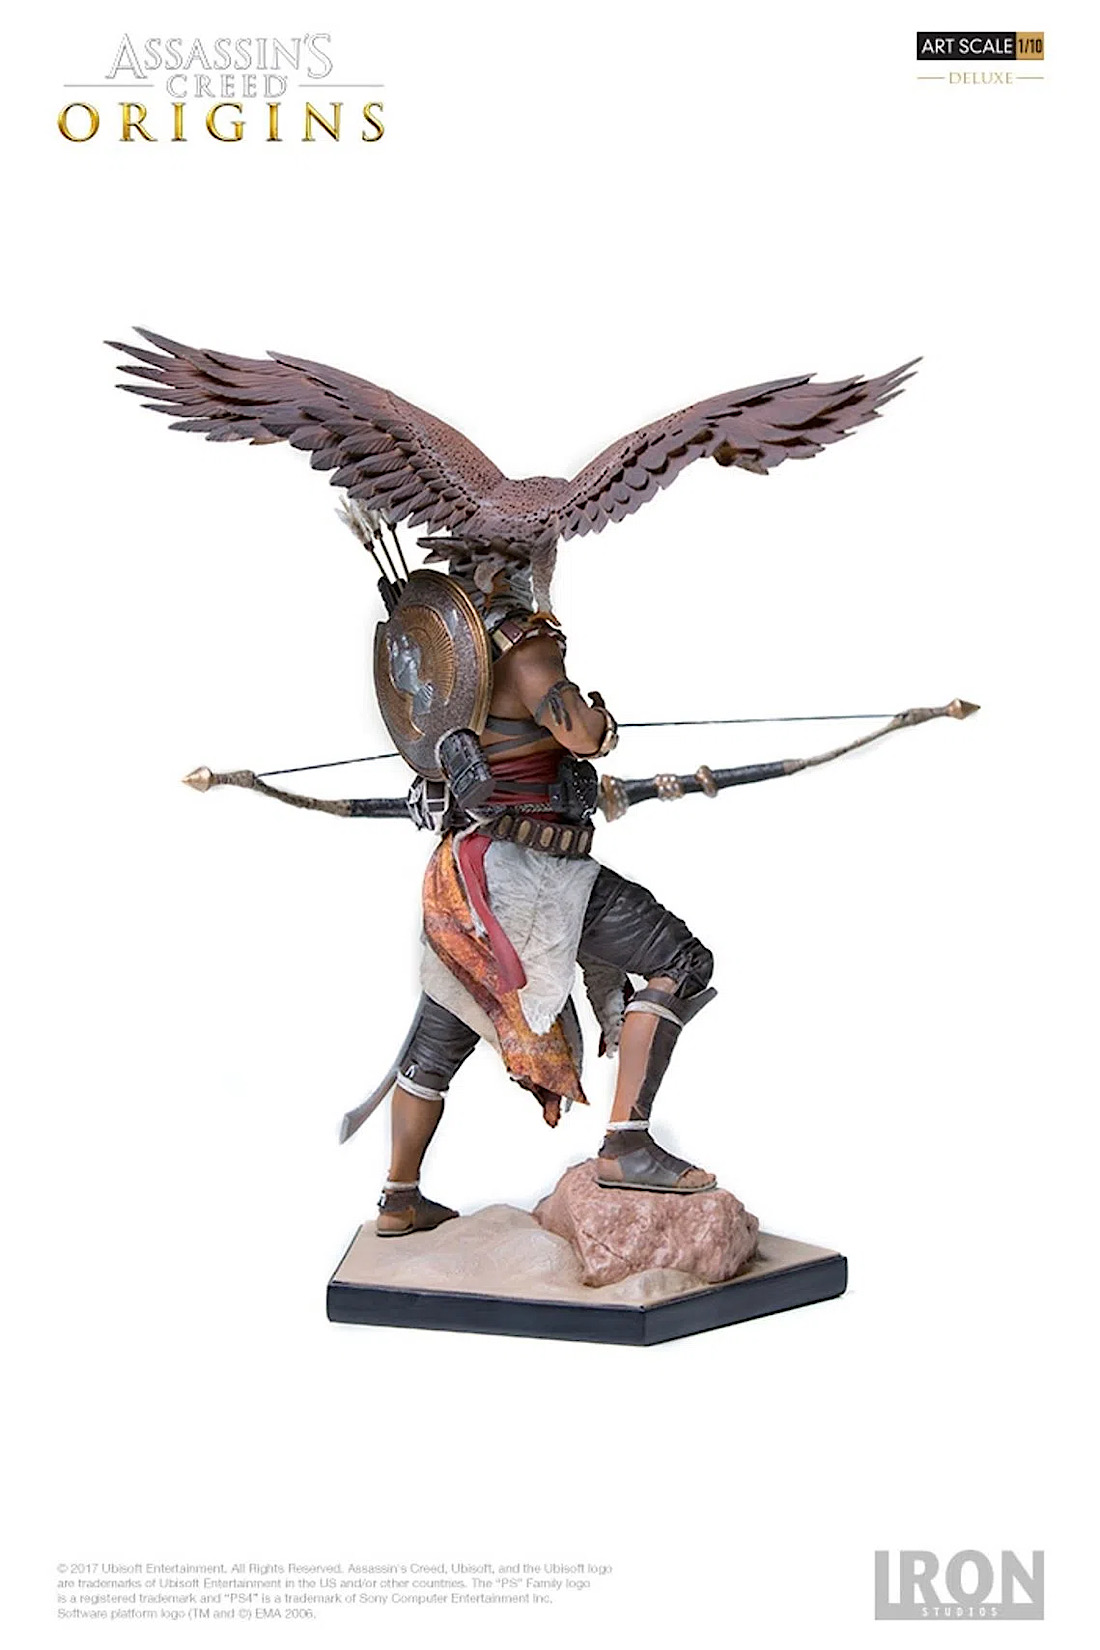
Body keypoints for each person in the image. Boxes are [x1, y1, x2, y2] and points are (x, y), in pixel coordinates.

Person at [376, 557, 717, 1237]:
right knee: (680, 960)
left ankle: (398, 1198)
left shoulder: (449, 641)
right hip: (535, 876)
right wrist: (600, 721)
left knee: (441, 1034)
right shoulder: (521, 644)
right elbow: (580, 735)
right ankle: (627, 1145)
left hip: (465, 877)